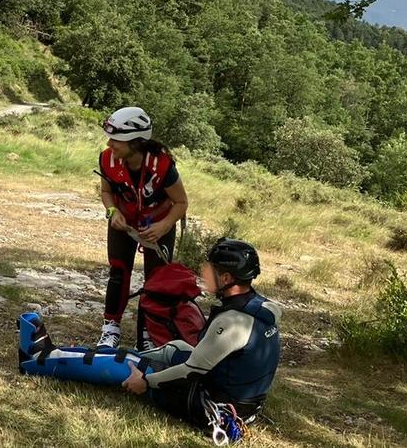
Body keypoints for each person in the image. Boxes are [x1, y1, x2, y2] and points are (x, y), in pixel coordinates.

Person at [19, 239, 282, 444]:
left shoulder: (232, 322)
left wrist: (146, 383)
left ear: (227, 279)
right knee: (175, 348)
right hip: (241, 403)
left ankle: (37, 360)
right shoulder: (265, 307)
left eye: (211, 268)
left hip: (216, 411)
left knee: (131, 366)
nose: (203, 271)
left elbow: (191, 371)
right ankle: (74, 355)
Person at [97, 107, 188, 348]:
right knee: (118, 272)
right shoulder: (107, 159)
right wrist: (112, 211)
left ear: (135, 142)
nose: (110, 143)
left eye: (116, 139)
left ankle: (149, 334)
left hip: (158, 225)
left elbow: (181, 203)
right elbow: (106, 192)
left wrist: (164, 225)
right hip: (124, 222)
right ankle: (110, 328)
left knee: (156, 281)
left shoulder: (163, 166)